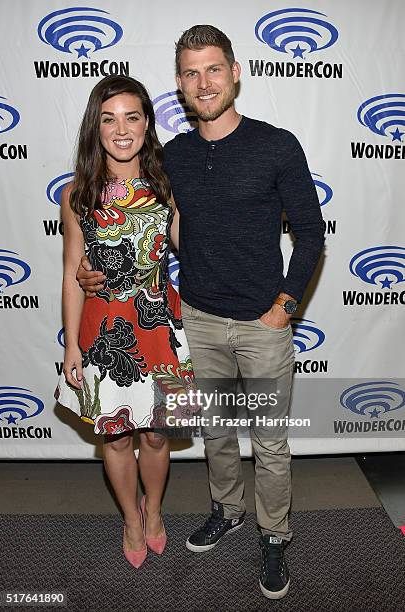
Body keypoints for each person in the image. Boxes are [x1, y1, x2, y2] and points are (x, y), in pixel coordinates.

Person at [76, 26, 325, 599]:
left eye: (213, 69)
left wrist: (284, 308)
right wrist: (93, 271)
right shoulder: (173, 158)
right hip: (194, 323)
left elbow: (310, 232)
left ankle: (274, 535)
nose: (203, 82)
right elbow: (128, 222)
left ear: (235, 72)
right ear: (180, 86)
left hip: (264, 322)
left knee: (268, 441)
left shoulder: (277, 145)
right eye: (190, 73)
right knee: (214, 432)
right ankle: (228, 510)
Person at [55, 75, 194, 569]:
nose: (121, 129)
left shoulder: (168, 184)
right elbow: (74, 275)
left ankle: (153, 512)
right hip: (103, 328)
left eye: (132, 117)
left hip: (160, 325)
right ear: (96, 128)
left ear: (147, 125)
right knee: (115, 434)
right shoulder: (77, 194)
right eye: (108, 119)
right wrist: (72, 345)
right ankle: (131, 523)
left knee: (157, 433)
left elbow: (194, 247)